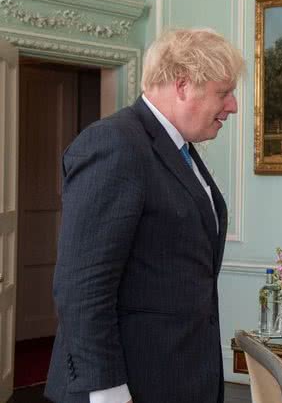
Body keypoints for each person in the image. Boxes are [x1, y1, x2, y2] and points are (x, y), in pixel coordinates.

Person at [45, 28, 245, 403]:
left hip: (178, 378)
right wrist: (106, 390)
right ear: (183, 85)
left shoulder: (179, 148)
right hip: (125, 385)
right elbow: (82, 285)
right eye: (224, 93)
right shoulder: (115, 143)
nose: (233, 106)